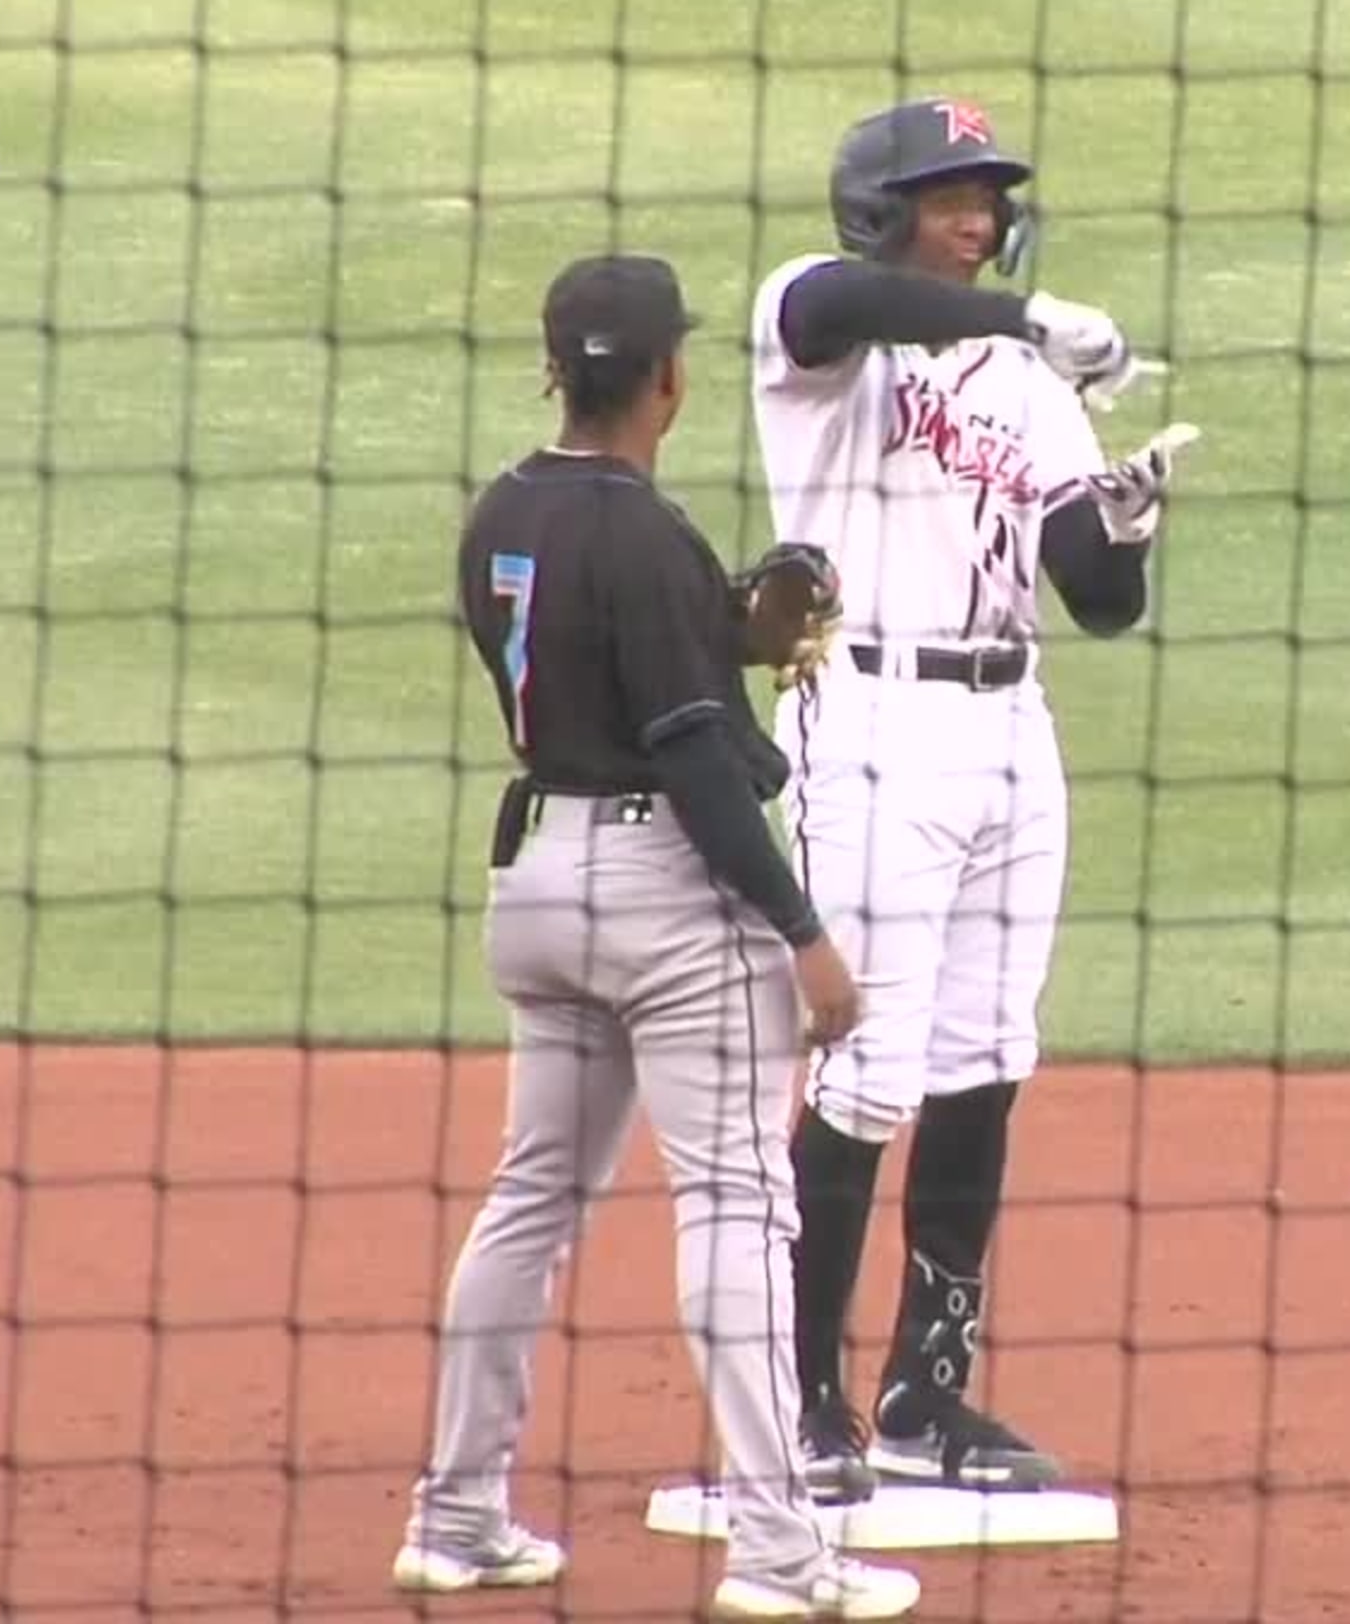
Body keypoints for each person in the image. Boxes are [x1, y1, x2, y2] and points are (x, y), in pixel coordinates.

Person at [392, 251, 921, 1621]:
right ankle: (781, 1560)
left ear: (559, 367)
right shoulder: (647, 531)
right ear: (673, 377)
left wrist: (725, 629)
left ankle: (454, 1519)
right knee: (741, 1200)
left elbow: (608, 660)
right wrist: (801, 929)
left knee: (532, 1196)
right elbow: (686, 745)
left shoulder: (498, 514)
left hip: (538, 889)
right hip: (668, 897)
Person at [747, 96, 1197, 1501]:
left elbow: (1099, 602)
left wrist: (1124, 523)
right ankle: (799, 1396)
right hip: (870, 718)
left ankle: (925, 1394)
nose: (980, 222)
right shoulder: (812, 339)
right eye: (951, 199)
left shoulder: (1029, 383)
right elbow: (838, 301)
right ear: (884, 213)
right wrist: (1019, 324)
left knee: (986, 1059)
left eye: (990, 201)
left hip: (1015, 730)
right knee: (868, 1070)